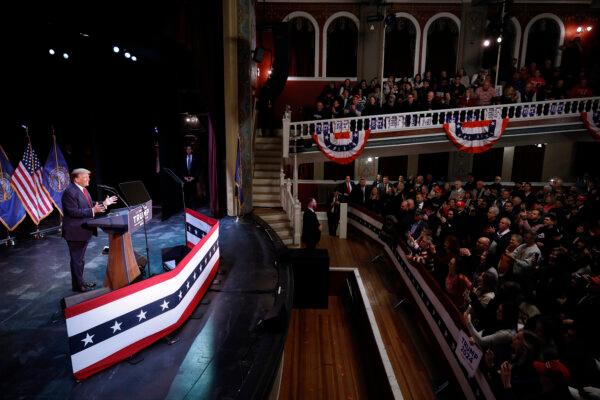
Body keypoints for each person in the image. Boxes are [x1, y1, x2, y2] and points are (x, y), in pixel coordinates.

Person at [62, 168, 118, 292]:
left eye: (88, 176)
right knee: (77, 260)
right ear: (76, 179)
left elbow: (89, 204)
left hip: (83, 230)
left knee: (80, 260)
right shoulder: (69, 192)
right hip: (75, 232)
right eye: (85, 177)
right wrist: (93, 210)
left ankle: (80, 283)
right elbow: (73, 211)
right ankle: (78, 286)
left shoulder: (83, 190)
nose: (88, 179)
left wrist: (104, 203)